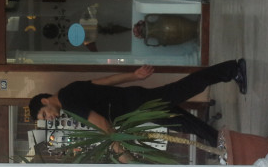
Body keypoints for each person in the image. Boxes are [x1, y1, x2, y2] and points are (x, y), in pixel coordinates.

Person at [28, 59, 247, 152]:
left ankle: (232, 69)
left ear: (45, 101)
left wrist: (118, 148)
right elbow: (104, 82)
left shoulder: (68, 101)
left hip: (138, 105)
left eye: (44, 114)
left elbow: (100, 122)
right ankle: (218, 140)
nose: (49, 118)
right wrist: (133, 76)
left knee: (184, 89)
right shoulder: (70, 90)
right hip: (137, 104)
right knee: (182, 122)